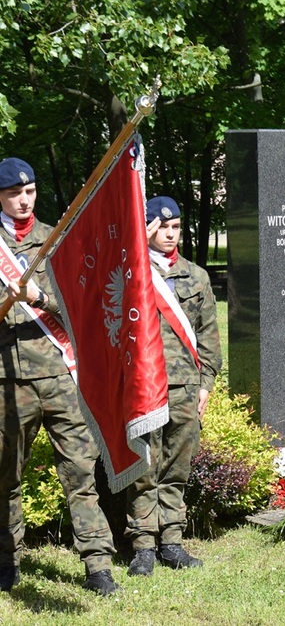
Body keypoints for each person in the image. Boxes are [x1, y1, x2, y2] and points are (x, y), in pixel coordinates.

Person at [0, 157, 119, 595]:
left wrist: (39, 297)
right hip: (8, 382)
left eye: (29, 191)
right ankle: (6, 560)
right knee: (5, 476)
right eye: (14, 193)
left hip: (61, 377)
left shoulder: (57, 240)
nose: (23, 200)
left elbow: (83, 307)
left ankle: (97, 565)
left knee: (80, 473)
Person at [127, 196, 222, 576]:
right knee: (144, 467)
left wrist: (206, 383)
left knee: (176, 466)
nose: (170, 234)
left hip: (184, 386)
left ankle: (171, 542)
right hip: (143, 387)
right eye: (162, 227)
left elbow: (208, 334)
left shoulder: (195, 276)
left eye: (176, 227)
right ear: (147, 228)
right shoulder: (132, 272)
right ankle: (143, 546)